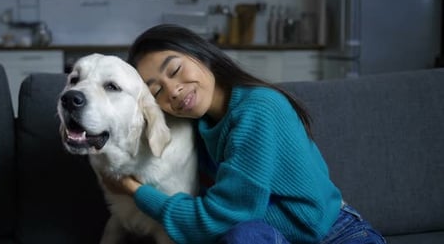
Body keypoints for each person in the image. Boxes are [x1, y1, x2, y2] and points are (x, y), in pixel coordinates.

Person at [103, 24, 386, 244]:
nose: (173, 90)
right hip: (275, 237)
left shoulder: (258, 109)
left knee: (242, 234)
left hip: (338, 236)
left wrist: (134, 190)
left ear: (201, 54)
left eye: (175, 69)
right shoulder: (198, 129)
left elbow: (222, 215)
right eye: (157, 91)